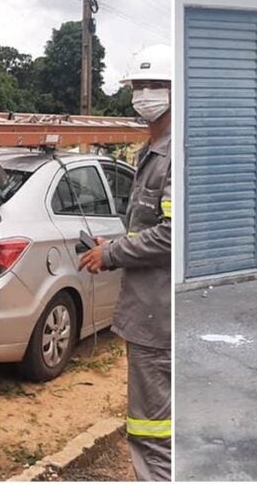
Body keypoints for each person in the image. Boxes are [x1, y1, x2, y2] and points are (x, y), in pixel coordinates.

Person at [79, 44, 172, 480]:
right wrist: (113, 243)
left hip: (159, 319)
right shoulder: (151, 151)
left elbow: (172, 235)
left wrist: (110, 253)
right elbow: (148, 228)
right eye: (137, 86)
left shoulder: (175, 154)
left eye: (155, 86)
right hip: (150, 313)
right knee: (155, 424)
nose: (143, 95)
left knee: (154, 432)